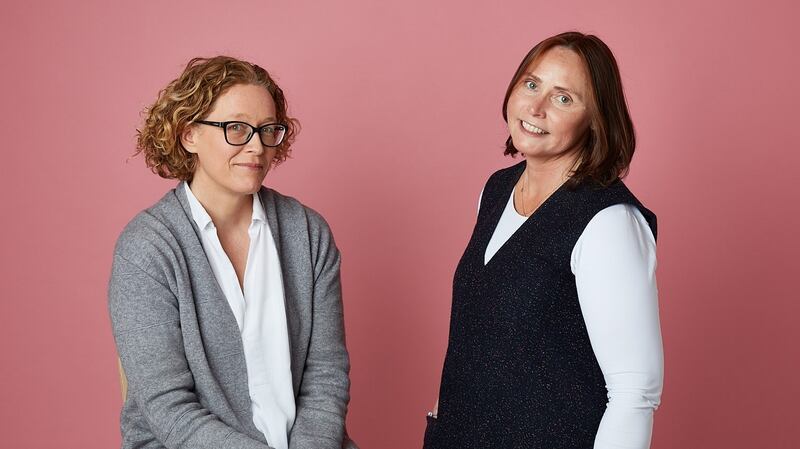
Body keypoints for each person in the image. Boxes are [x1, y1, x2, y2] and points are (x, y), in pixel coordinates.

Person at [423, 32, 664, 449]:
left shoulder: (608, 222)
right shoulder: (497, 190)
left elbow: (633, 393)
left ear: (596, 120)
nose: (535, 108)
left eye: (564, 98)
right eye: (532, 84)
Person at [108, 56, 355, 449]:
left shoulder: (308, 233)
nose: (257, 146)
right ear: (189, 134)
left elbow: (326, 374)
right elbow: (169, 408)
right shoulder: (147, 249)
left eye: (267, 130)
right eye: (236, 128)